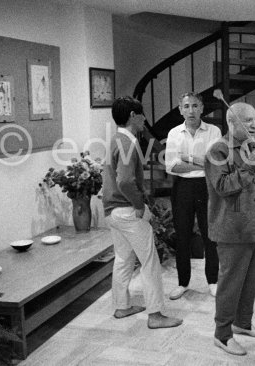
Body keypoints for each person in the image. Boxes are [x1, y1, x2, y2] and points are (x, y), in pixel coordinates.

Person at [102, 96, 182, 329]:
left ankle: (122, 306)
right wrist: (139, 205)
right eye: (141, 115)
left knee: (123, 258)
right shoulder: (127, 142)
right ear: (132, 116)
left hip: (111, 211)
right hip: (127, 211)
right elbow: (126, 181)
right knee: (150, 261)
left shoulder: (114, 139)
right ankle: (156, 315)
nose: (145, 119)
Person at [204, 102, 255, 356]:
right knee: (231, 283)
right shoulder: (218, 150)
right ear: (232, 123)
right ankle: (222, 334)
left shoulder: (252, 146)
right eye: (248, 120)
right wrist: (250, 166)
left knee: (250, 280)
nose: (254, 124)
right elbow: (223, 186)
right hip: (232, 228)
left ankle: (242, 323)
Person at [165, 92, 221, 299]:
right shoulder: (174, 133)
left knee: (210, 235)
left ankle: (213, 281)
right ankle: (183, 282)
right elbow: (171, 166)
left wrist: (187, 159)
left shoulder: (214, 131)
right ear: (180, 109)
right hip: (182, 188)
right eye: (186, 106)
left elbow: (215, 163)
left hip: (207, 187)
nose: (191, 110)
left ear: (202, 108)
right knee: (183, 235)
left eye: (195, 106)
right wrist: (200, 162)